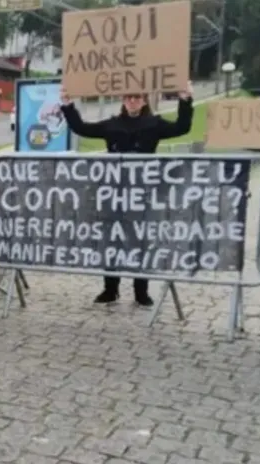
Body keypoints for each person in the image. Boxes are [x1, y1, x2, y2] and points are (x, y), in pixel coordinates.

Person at [59, 82, 194, 306]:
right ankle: (110, 289)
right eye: (129, 97)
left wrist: (185, 99)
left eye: (137, 97)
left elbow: (182, 127)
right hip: (114, 193)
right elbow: (82, 128)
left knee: (140, 240)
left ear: (144, 100)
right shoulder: (112, 125)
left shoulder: (154, 124)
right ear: (123, 99)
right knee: (111, 239)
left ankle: (141, 290)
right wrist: (67, 104)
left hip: (142, 194)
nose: (132, 101)